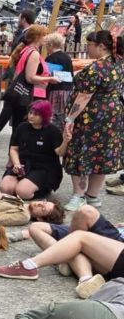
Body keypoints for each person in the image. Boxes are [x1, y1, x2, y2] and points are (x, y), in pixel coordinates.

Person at [62, 31, 124, 211]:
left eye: (89, 44)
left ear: (101, 46)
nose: (87, 47)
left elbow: (84, 96)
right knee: (102, 155)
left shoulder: (96, 68)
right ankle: (92, 196)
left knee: (82, 153)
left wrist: (70, 118)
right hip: (112, 118)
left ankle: (79, 195)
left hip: (91, 119)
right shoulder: (118, 64)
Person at [0, 25, 58, 141]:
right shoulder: (33, 53)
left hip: (21, 92)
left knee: (17, 128)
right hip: (29, 94)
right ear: (37, 37)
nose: (46, 38)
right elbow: (30, 77)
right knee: (22, 129)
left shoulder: (26, 50)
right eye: (44, 35)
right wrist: (49, 79)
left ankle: (5, 142)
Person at [0, 100, 69, 199]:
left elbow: (60, 152)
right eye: (30, 113)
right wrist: (16, 164)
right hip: (23, 164)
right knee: (5, 188)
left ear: (44, 116)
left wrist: (65, 142)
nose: (31, 116)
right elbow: (14, 149)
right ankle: (22, 184)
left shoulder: (53, 131)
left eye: (36, 114)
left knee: (22, 192)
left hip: (43, 167)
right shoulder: (22, 127)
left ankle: (42, 189)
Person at [43, 33, 74, 129]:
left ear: (51, 45)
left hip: (55, 90)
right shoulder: (67, 57)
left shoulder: (51, 58)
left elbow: (47, 75)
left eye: (46, 45)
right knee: (63, 116)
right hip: (67, 90)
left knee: (53, 116)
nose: (46, 47)